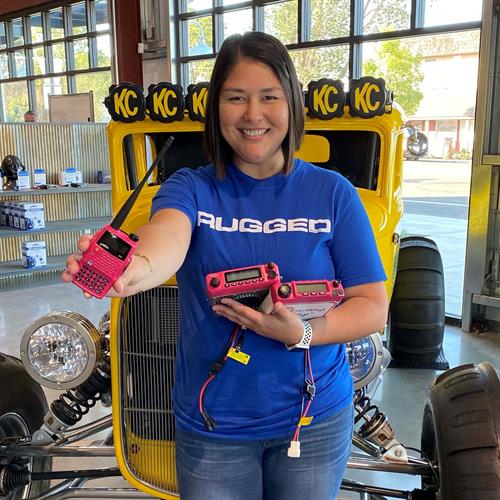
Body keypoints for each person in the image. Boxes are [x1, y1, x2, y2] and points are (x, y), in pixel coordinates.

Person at [63, 31, 388, 500]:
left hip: (313, 421)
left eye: (269, 97)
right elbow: (166, 239)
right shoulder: (189, 188)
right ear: (217, 108)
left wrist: (301, 333)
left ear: (292, 105)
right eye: (236, 97)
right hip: (213, 424)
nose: (253, 114)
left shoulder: (333, 193)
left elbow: (372, 306)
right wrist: (134, 270)